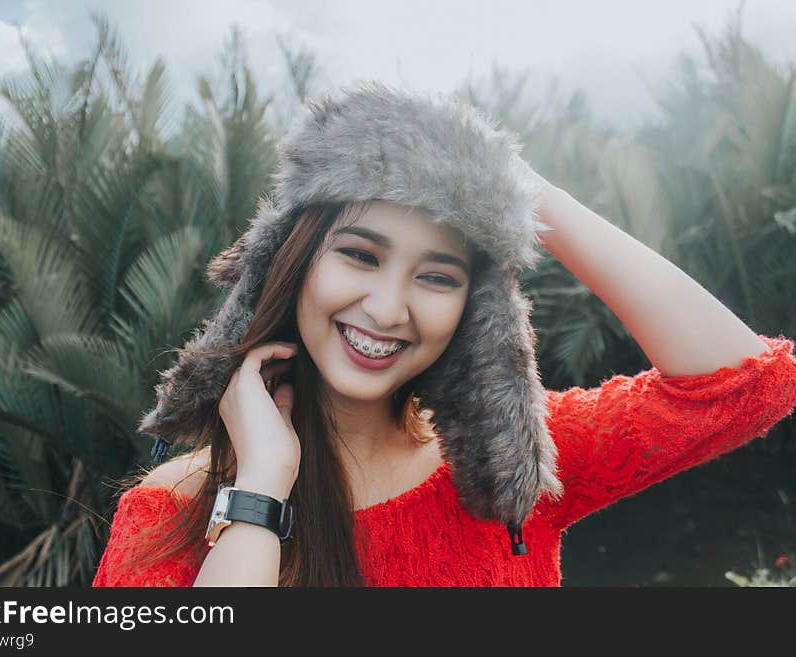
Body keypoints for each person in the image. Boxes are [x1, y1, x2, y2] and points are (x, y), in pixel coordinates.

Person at [91, 81, 796, 587]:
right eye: (360, 255)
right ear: (295, 259)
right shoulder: (168, 512)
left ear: (475, 305)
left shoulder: (513, 466)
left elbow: (747, 384)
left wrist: (520, 190)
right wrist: (261, 488)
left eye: (438, 275)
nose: (390, 307)